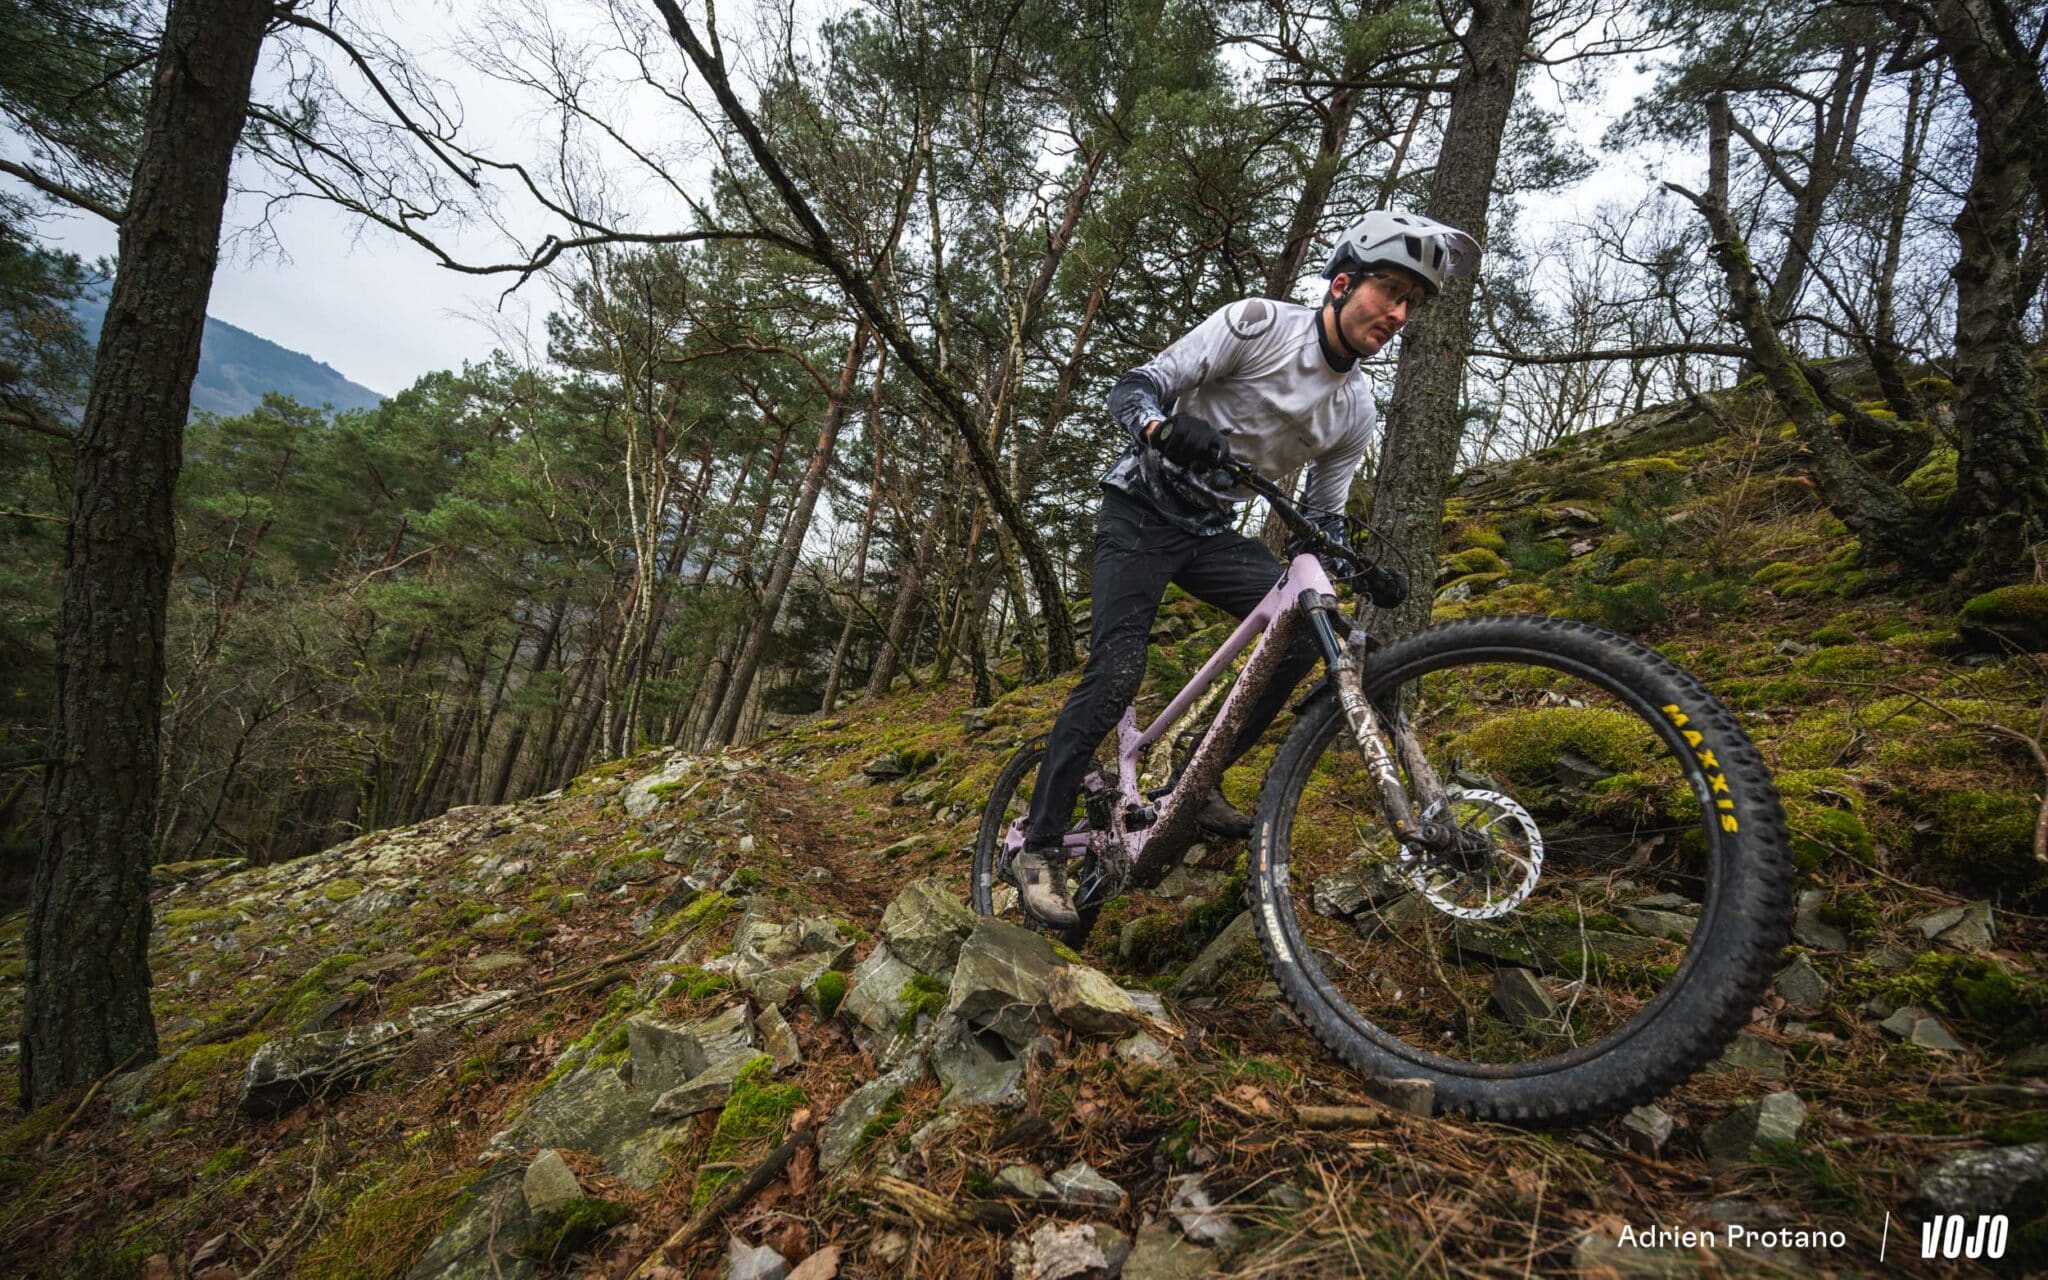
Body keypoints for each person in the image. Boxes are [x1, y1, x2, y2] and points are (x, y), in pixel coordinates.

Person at [1014, 210, 1481, 927]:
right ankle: (1040, 846)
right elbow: (1133, 388)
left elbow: (1321, 519)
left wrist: (1351, 566)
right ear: (1342, 284)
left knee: (1300, 635)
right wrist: (1161, 426)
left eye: (1410, 303)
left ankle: (1192, 781)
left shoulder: (1354, 408)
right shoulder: (1258, 324)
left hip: (1209, 534)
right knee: (1117, 672)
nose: (1397, 313)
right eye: (1389, 291)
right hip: (1139, 512)